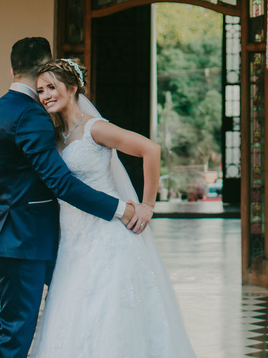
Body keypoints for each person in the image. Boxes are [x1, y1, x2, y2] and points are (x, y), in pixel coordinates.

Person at [0, 37, 144, 358]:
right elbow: (60, 182)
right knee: (18, 329)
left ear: (12, 68)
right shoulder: (31, 114)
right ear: (45, 66)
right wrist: (118, 209)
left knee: (61, 311)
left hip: (7, 232)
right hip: (26, 238)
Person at [30, 58, 196, 358]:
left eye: (52, 87)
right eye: (41, 90)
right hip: (72, 242)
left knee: (109, 317)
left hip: (106, 238)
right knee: (73, 317)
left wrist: (147, 206)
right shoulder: (53, 137)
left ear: (73, 87)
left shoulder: (95, 129)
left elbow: (151, 149)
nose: (45, 95)